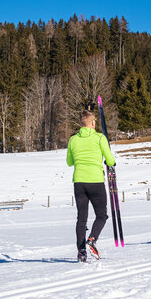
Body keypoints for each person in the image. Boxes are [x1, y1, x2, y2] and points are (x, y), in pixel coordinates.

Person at [66, 110, 115, 262]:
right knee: (101, 215)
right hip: (95, 182)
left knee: (82, 219)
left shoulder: (73, 139)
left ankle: (81, 251)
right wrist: (108, 161)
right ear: (93, 123)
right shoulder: (100, 138)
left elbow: (69, 162)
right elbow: (110, 160)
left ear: (81, 124)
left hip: (79, 182)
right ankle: (92, 239)